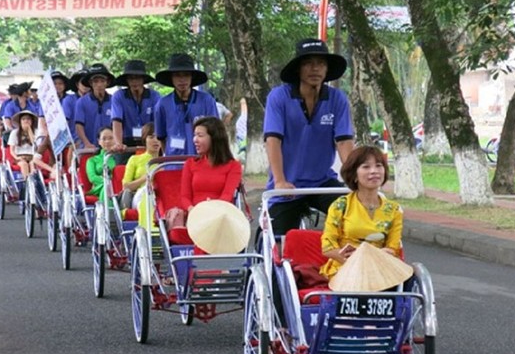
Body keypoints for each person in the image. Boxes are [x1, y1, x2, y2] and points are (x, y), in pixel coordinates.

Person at [263, 38, 355, 236]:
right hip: (288, 184)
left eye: (321, 63)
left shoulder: (337, 98)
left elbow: (344, 141)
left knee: (354, 218)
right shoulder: (278, 97)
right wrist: (279, 181)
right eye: (308, 63)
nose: (315, 69)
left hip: (322, 182)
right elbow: (273, 140)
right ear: (298, 68)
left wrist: (354, 179)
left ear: (327, 69)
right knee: (276, 242)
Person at [319, 146, 403, 280]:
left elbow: (392, 248)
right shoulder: (340, 206)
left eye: (378, 165)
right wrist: (356, 261)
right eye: (366, 167)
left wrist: (370, 260)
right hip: (345, 267)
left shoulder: (394, 210)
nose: (374, 171)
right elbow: (328, 246)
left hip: (379, 267)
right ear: (354, 175)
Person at [165, 117, 242, 234]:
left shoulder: (233, 166)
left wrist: (211, 210)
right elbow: (185, 197)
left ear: (214, 138)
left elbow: (227, 195)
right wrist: (194, 211)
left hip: (220, 217)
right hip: (194, 217)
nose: (195, 140)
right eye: (194, 135)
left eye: (200, 135)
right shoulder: (190, 164)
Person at [153, 53, 219, 155]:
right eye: (177, 75)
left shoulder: (206, 100)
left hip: (201, 160)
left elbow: (215, 133)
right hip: (174, 162)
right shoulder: (162, 104)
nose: (182, 80)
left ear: (192, 77)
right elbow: (161, 137)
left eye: (186, 75)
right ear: (171, 78)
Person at [111, 60, 161, 164]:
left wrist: (155, 140)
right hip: (126, 142)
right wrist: (118, 143)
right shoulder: (119, 96)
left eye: (137, 78)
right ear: (127, 80)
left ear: (143, 79)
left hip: (149, 140)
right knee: (122, 169)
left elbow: (159, 120)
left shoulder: (154, 96)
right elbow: (116, 121)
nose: (134, 81)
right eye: (131, 78)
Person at [120, 122, 162, 209]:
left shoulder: (166, 161)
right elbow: (126, 186)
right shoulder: (134, 159)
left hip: (161, 195)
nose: (155, 140)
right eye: (151, 137)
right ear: (144, 139)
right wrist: (144, 179)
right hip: (141, 194)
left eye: (158, 137)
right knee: (148, 192)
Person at [75, 63, 114, 149]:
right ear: (90, 83)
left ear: (107, 83)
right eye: (96, 81)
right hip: (89, 147)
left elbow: (118, 124)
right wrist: (87, 143)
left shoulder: (114, 100)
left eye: (102, 81)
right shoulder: (81, 102)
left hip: (110, 147)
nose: (99, 84)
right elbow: (79, 126)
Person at [85, 126, 117, 202]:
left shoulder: (118, 158)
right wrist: (108, 182)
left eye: (110, 138)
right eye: (104, 139)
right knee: (106, 187)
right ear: (99, 141)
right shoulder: (92, 160)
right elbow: (92, 177)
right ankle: (108, 212)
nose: (107, 141)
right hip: (99, 187)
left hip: (117, 186)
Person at [62, 68, 90, 145]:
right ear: (77, 84)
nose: (85, 86)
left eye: (87, 83)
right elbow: (65, 123)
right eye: (82, 83)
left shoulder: (94, 101)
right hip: (74, 142)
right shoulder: (69, 100)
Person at [8, 110, 38, 178]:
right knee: (24, 164)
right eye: (23, 119)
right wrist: (17, 157)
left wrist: (29, 129)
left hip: (33, 156)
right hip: (19, 156)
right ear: (20, 121)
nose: (26, 121)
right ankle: (26, 182)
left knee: (32, 164)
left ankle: (34, 183)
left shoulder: (36, 131)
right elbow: (11, 150)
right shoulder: (14, 132)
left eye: (28, 119)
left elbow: (35, 144)